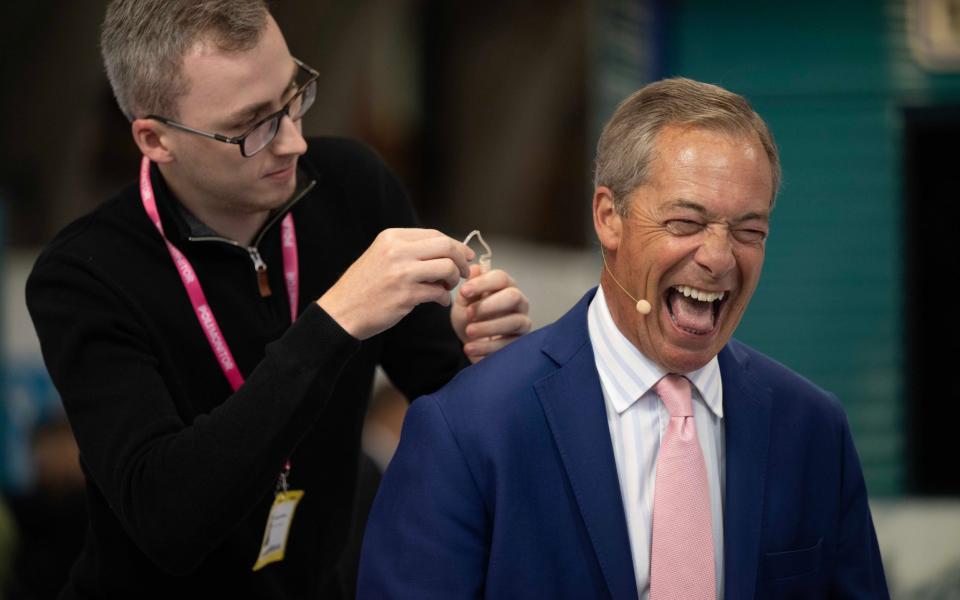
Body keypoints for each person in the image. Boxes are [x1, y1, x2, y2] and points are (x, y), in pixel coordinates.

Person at [25, 1, 531, 597]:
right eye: (253, 125)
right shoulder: (83, 276)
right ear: (155, 139)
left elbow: (447, 403)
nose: (292, 141)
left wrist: (486, 357)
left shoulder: (352, 186)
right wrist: (335, 321)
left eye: (294, 97)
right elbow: (168, 520)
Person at [357, 78, 889, 599]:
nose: (720, 258)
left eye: (749, 231)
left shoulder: (813, 430)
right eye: (686, 222)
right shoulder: (470, 429)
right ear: (609, 218)